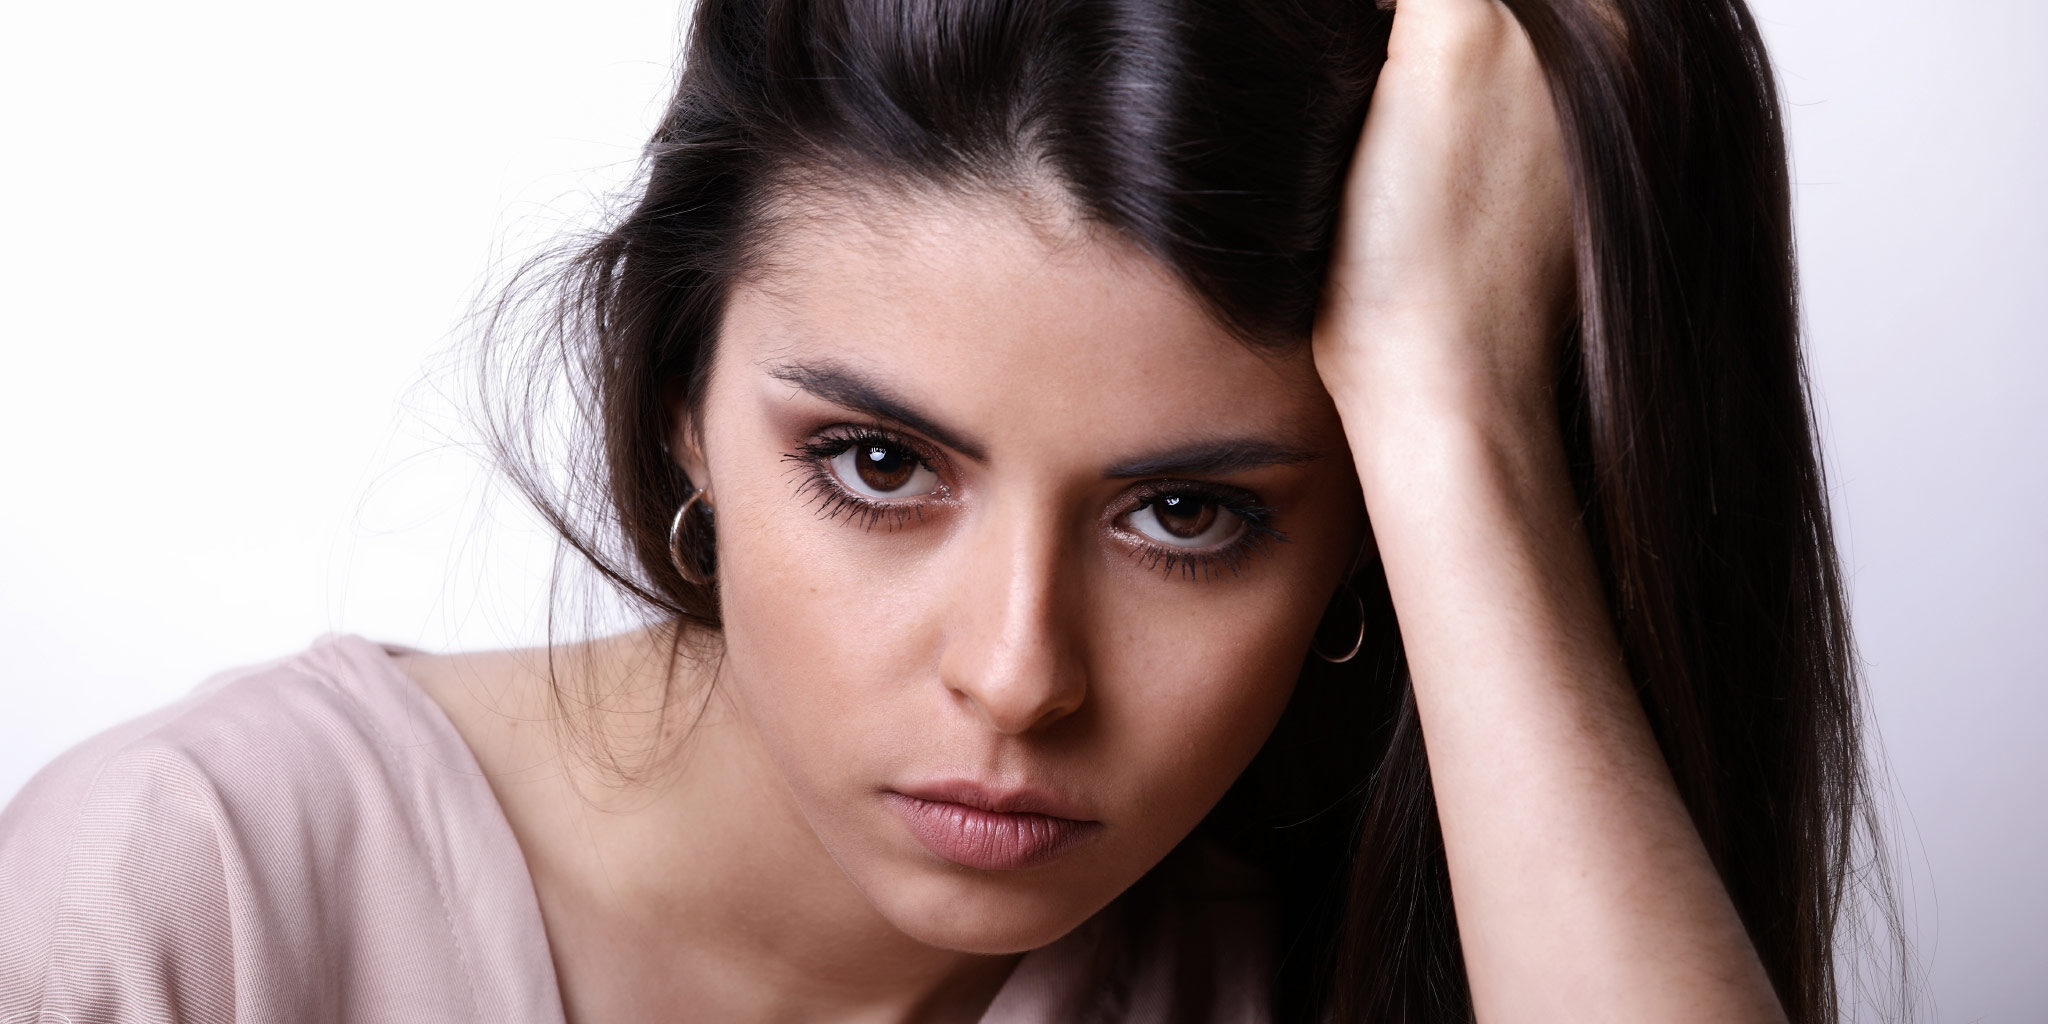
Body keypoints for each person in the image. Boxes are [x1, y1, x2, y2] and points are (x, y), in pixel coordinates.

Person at [0, 0, 1903, 1020]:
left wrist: (1451, 423)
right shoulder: (185, 914)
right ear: (680, 401)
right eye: (881, 467)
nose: (1018, 678)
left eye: (1189, 515)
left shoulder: (1338, 958)